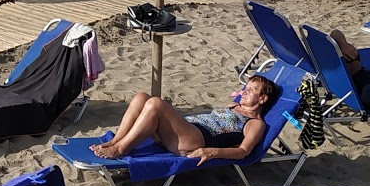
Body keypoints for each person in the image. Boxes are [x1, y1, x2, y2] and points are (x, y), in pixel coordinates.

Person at [90, 75, 280, 162]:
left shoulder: (255, 123)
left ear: (263, 99)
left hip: (196, 140)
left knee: (156, 104)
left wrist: (212, 152)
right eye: (245, 88)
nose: (245, 92)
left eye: (251, 90)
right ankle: (116, 141)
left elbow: (244, 151)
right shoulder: (234, 106)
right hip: (187, 127)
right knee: (141, 97)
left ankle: (121, 150)